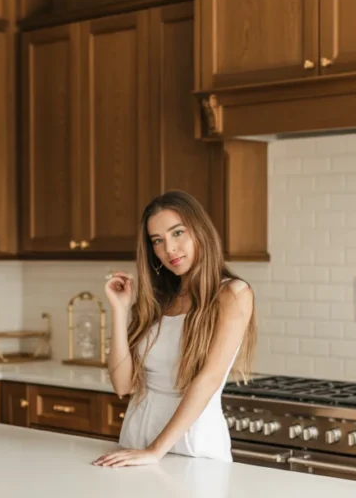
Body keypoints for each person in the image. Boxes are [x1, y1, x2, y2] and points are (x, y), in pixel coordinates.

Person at [93, 190, 255, 468]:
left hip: (193, 446)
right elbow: (122, 385)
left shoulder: (233, 294)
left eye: (177, 233)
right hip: (136, 439)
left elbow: (209, 379)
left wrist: (156, 450)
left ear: (200, 231)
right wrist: (120, 311)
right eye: (158, 240)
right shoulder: (158, 299)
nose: (169, 248)